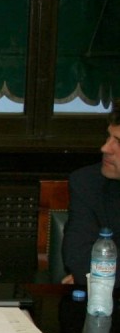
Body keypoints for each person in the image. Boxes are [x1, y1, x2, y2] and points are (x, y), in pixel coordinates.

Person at [61, 103, 120, 286]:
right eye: (108, 137)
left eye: (118, 142)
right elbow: (79, 260)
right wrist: (94, 277)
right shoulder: (88, 183)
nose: (105, 148)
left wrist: (104, 277)